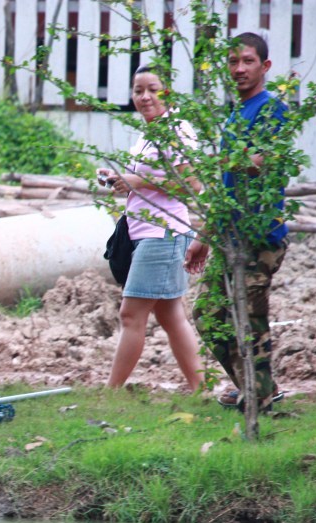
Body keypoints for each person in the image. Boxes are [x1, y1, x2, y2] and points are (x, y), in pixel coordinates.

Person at [185, 32, 288, 412]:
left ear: (265, 66)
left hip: (260, 237)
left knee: (251, 322)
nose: (239, 69)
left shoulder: (271, 110)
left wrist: (223, 162)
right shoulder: (234, 115)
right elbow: (227, 190)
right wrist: (204, 237)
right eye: (233, 62)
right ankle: (259, 388)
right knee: (207, 316)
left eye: (247, 61)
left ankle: (258, 401)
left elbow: (262, 162)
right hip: (229, 237)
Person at [98, 65, 204, 392]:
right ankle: (200, 388)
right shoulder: (150, 132)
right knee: (171, 316)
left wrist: (137, 181)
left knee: (131, 315)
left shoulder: (177, 130)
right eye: (138, 90)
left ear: (167, 92)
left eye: (152, 89)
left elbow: (192, 184)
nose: (144, 97)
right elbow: (148, 184)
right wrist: (120, 179)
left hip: (164, 233)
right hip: (147, 231)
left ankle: (110, 392)